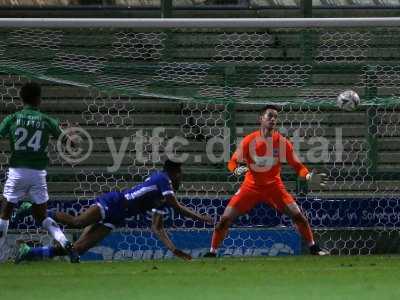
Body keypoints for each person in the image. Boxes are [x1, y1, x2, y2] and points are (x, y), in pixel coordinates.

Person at [16, 160, 213, 263]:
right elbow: (177, 207)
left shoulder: (161, 197)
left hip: (119, 216)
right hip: (114, 202)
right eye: (181, 175)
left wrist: (173, 249)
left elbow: (157, 227)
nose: (181, 179)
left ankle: (29, 252)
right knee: (77, 222)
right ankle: (33, 208)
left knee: (78, 249)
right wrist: (202, 218)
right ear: (175, 174)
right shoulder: (163, 179)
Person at [204, 105, 329, 257]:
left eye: (275, 117)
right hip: (250, 187)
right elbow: (232, 162)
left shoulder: (282, 142)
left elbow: (298, 166)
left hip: (274, 187)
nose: (273, 119)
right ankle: (212, 252)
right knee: (224, 219)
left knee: (298, 216)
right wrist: (236, 170)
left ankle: (313, 248)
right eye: (270, 116)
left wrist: (308, 176)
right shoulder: (249, 141)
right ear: (261, 119)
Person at [0, 82, 76, 262]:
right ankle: (65, 243)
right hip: (38, 174)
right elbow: (66, 140)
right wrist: (71, 141)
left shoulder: (12, 118)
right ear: (38, 99)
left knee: (5, 213)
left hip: (17, 171)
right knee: (42, 216)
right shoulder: (46, 120)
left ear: (22, 99)